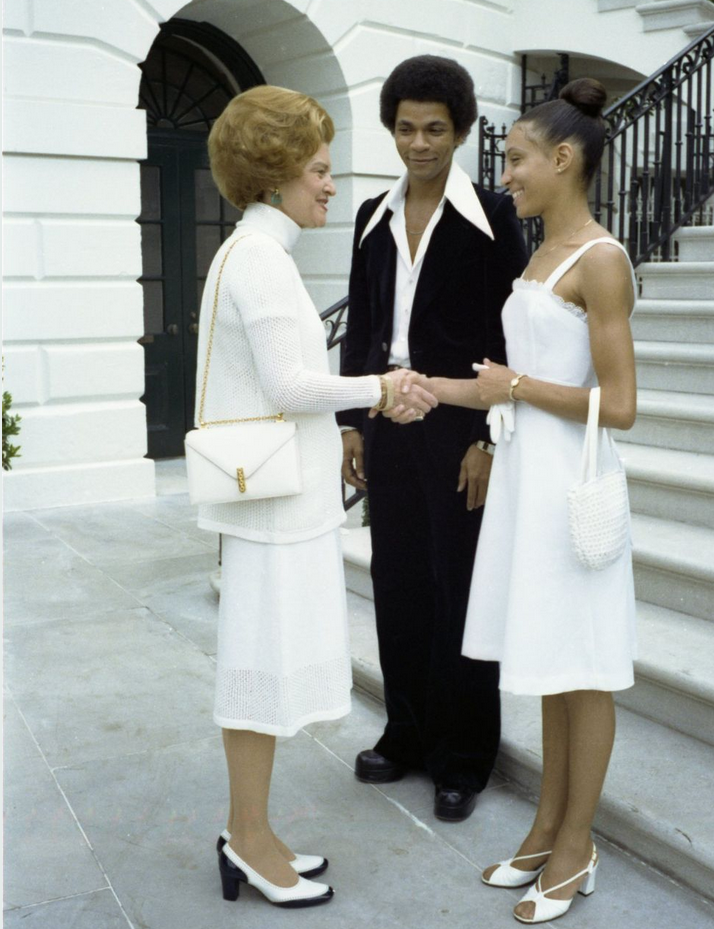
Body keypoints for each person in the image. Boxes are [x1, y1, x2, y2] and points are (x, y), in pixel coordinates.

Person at [198, 85, 437, 910]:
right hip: (272, 515)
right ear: (275, 173)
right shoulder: (262, 258)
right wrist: (382, 385)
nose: (330, 184)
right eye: (319, 169)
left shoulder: (260, 249)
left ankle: (253, 833)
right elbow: (290, 384)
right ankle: (247, 838)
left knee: (262, 674)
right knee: (254, 676)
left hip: (277, 509)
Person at [427, 78, 637, 923]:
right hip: (526, 480)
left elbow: (619, 405)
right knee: (552, 669)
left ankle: (579, 847)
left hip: (573, 486)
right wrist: (419, 389)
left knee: (584, 672)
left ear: (562, 159)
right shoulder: (539, 254)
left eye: (514, 160)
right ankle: (549, 825)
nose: (504, 174)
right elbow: (501, 387)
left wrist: (517, 384)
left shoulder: (603, 261)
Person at [337, 55, 528, 821]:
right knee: (400, 584)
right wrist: (352, 418)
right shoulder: (370, 217)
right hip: (387, 423)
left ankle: (463, 757)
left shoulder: (493, 219)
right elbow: (360, 323)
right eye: (407, 129)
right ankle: (406, 735)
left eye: (436, 130)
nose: (420, 144)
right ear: (392, 130)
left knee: (460, 591)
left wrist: (489, 438)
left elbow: (510, 338)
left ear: (460, 131)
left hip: (458, 430)